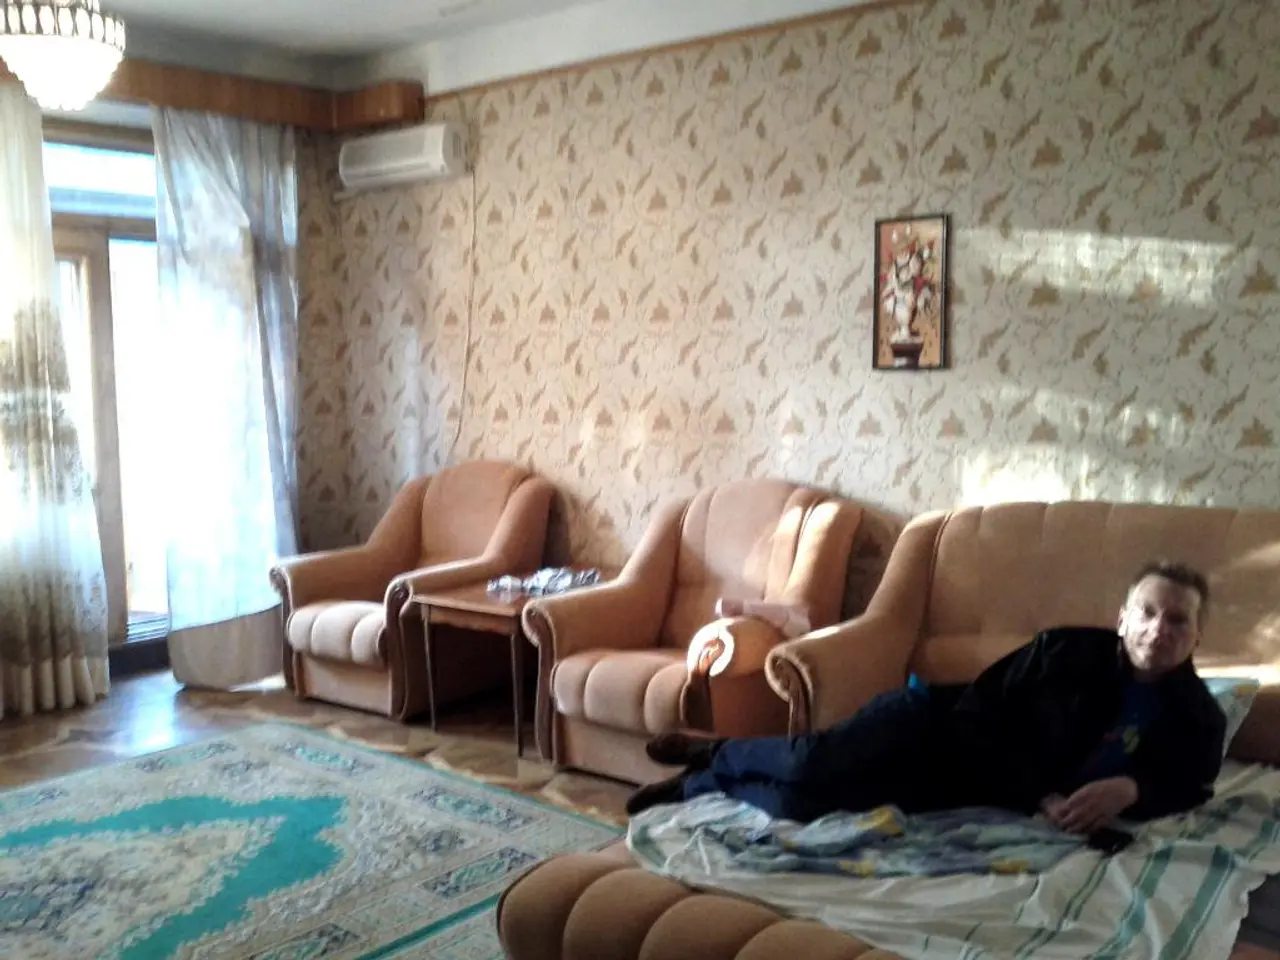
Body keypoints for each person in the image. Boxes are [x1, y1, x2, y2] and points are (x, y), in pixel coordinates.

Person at [627, 560, 1227, 840]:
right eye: (1147, 612)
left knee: (800, 805)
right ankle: (718, 751)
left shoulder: (1199, 718)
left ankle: (699, 783)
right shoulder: (1064, 650)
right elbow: (976, 715)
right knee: (810, 762)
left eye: (1178, 620)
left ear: (1198, 635)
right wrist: (1039, 794)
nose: (1159, 629)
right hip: (931, 722)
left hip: (956, 785)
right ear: (1122, 619)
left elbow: (1192, 786)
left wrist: (1132, 789)